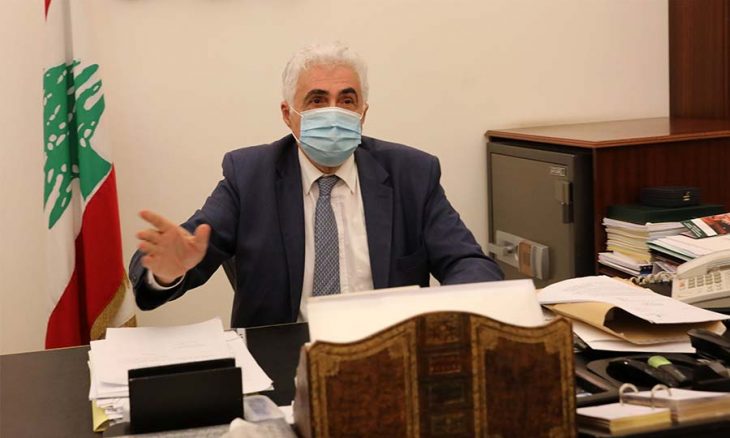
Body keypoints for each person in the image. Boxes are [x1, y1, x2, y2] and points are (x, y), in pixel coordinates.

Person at [129, 42, 503, 328]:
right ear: (287, 114)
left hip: (388, 354)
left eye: (347, 100)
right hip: (282, 363)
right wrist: (167, 271)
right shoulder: (250, 176)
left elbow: (469, 263)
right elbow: (181, 252)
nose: (333, 112)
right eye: (317, 100)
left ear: (363, 113)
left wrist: (448, 316)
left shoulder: (412, 174)